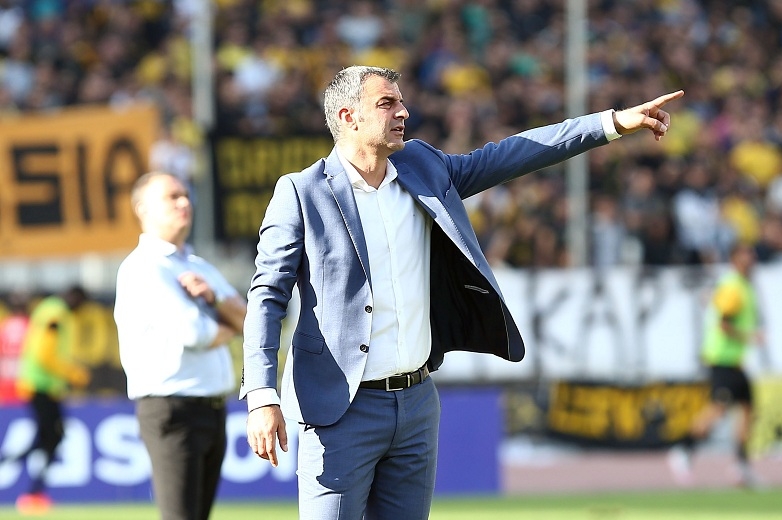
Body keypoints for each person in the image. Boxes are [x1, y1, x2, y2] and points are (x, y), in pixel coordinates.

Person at [241, 65, 683, 519]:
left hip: (416, 405)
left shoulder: (422, 165)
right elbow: (266, 297)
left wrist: (611, 123)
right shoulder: (301, 193)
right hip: (340, 409)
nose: (403, 112)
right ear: (348, 116)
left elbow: (514, 153)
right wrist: (261, 395)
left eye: (401, 101)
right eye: (387, 103)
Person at [114, 171, 247, 520]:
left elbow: (249, 321)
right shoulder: (143, 267)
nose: (184, 202)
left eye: (185, 194)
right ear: (142, 208)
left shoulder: (197, 266)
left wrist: (215, 298)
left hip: (211, 408)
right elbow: (196, 334)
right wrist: (229, 320)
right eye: (171, 196)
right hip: (172, 408)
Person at [668, 242, 762, 487]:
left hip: (735, 360)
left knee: (747, 408)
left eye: (752, 254)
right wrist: (749, 337)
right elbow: (724, 323)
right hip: (722, 358)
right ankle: (683, 449)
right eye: (746, 254)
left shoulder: (742, 284)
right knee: (718, 409)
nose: (751, 258)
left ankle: (741, 465)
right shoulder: (733, 286)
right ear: (734, 258)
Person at [0, 286, 91, 514]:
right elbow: (45, 353)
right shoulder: (56, 314)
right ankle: (33, 493)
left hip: (42, 385)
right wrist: (72, 373)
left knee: (48, 437)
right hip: (42, 385)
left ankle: (34, 491)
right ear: (75, 298)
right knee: (51, 437)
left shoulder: (48, 309)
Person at [0, 290, 30, 405]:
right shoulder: (29, 323)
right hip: (23, 367)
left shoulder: (5, 323)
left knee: (8, 404)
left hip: (6, 367)